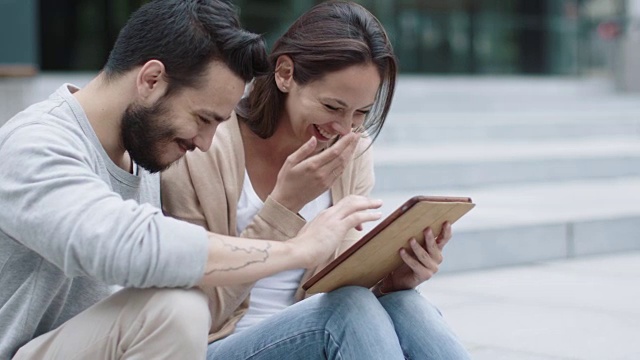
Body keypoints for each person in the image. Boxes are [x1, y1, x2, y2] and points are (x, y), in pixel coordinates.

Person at [0, 1, 384, 359]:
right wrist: (297, 250)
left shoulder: (138, 152)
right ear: (151, 80)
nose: (205, 143)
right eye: (203, 119)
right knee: (177, 308)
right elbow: (125, 244)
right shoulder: (37, 143)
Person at [161, 1, 472, 359]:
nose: (344, 128)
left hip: (317, 336)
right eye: (332, 107)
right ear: (285, 73)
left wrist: (390, 280)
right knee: (346, 310)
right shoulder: (203, 146)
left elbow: (335, 285)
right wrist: (284, 207)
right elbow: (195, 310)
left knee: (407, 305)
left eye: (361, 113)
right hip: (215, 344)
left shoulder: (352, 153)